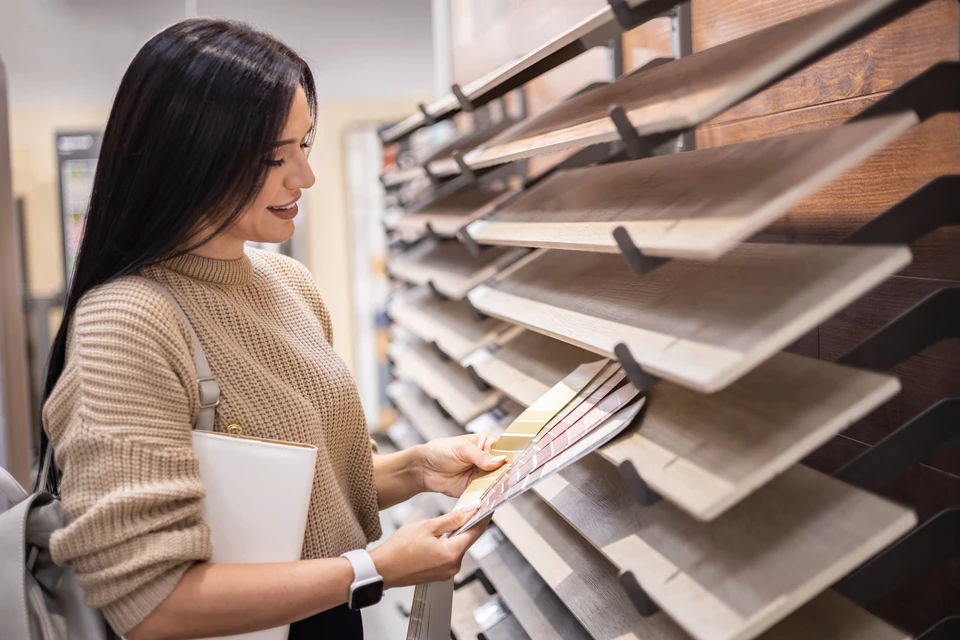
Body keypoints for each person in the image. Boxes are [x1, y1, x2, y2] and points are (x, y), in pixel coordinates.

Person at [41, 18, 501, 640]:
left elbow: (305, 494)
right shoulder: (127, 322)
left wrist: (419, 469)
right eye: (271, 157)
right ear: (189, 155)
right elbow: (151, 604)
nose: (303, 176)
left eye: (304, 144)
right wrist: (371, 568)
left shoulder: (290, 284)